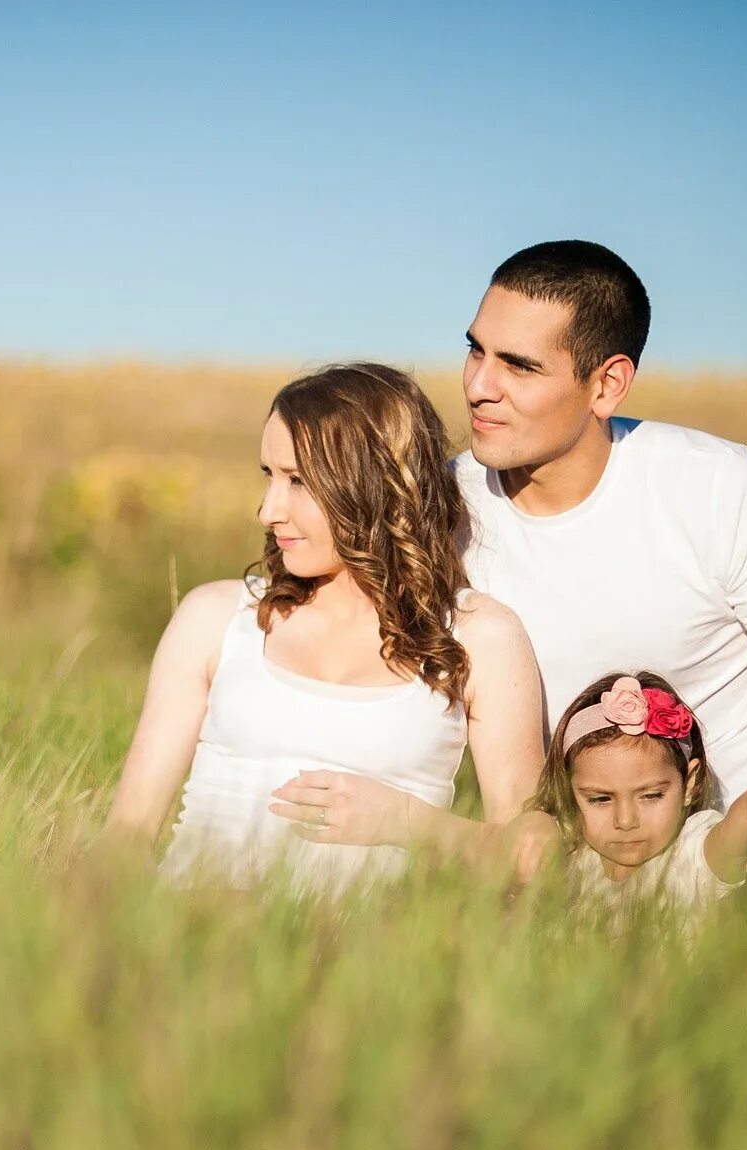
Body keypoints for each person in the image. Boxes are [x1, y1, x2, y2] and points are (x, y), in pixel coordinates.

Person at [310, 241, 747, 880]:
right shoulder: (440, 508)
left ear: (607, 384)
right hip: (565, 870)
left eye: (520, 366)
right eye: (475, 350)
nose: (480, 386)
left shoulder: (717, 487)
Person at [103, 363, 545, 896]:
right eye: (269, 475)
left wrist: (407, 822)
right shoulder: (216, 619)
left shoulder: (479, 636)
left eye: (298, 481)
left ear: (376, 483)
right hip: (193, 944)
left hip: (372, 964)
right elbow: (126, 835)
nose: (268, 510)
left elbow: (533, 858)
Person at [529, 671, 747, 914]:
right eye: (601, 799)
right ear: (569, 792)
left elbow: (727, 845)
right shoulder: (573, 858)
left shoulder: (689, 852)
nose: (626, 821)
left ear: (689, 784)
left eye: (651, 796)